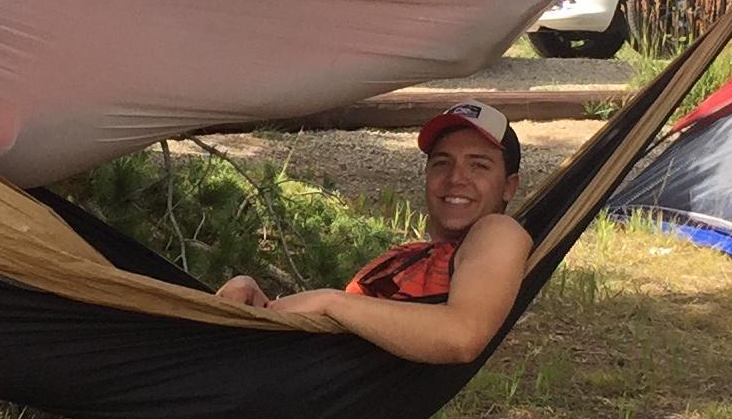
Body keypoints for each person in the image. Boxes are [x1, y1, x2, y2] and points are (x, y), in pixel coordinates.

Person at [215, 102, 528, 364]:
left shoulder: (496, 231)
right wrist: (261, 305)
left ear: (509, 187)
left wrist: (330, 301)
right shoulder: (409, 255)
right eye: (442, 163)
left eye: (479, 166)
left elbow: (462, 335)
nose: (456, 178)